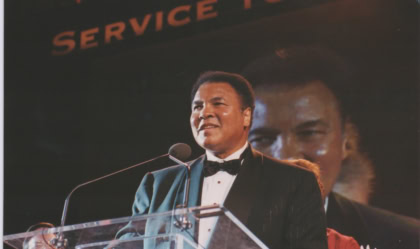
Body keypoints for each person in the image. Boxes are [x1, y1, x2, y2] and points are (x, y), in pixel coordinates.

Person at [118, 71, 328, 249]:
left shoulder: (294, 181)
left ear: (246, 116)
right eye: (197, 106)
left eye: (218, 103)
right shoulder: (158, 185)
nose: (205, 113)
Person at [242, 46, 420, 249]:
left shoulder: (408, 239)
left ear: (348, 141)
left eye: (309, 133)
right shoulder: (208, 235)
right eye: (263, 138)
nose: (286, 155)